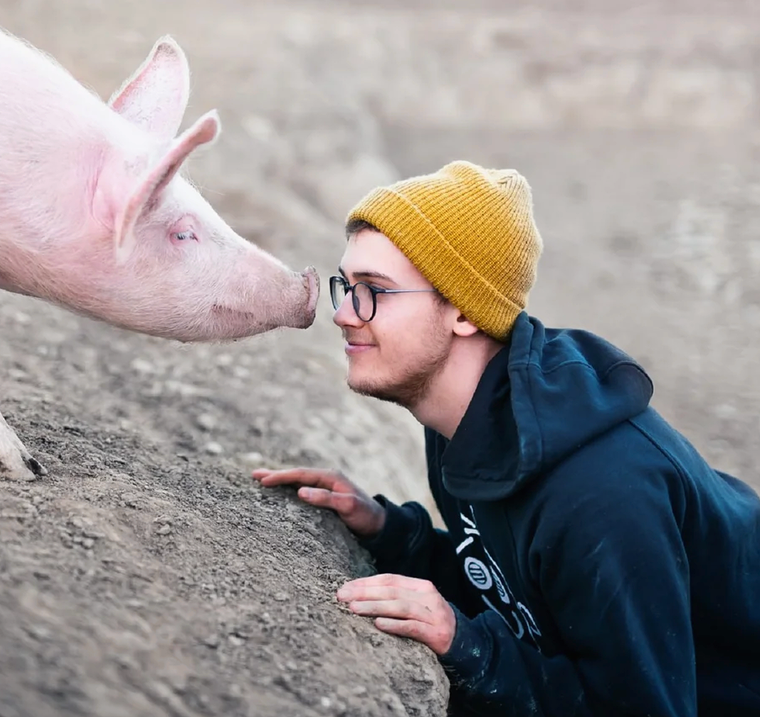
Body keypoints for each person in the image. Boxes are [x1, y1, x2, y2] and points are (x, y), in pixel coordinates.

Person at [253, 161, 760, 716]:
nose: (344, 314)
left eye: (374, 290)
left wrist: (472, 648)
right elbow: (519, 587)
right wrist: (395, 535)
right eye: (346, 286)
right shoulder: (465, 420)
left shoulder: (600, 496)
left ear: (465, 311)